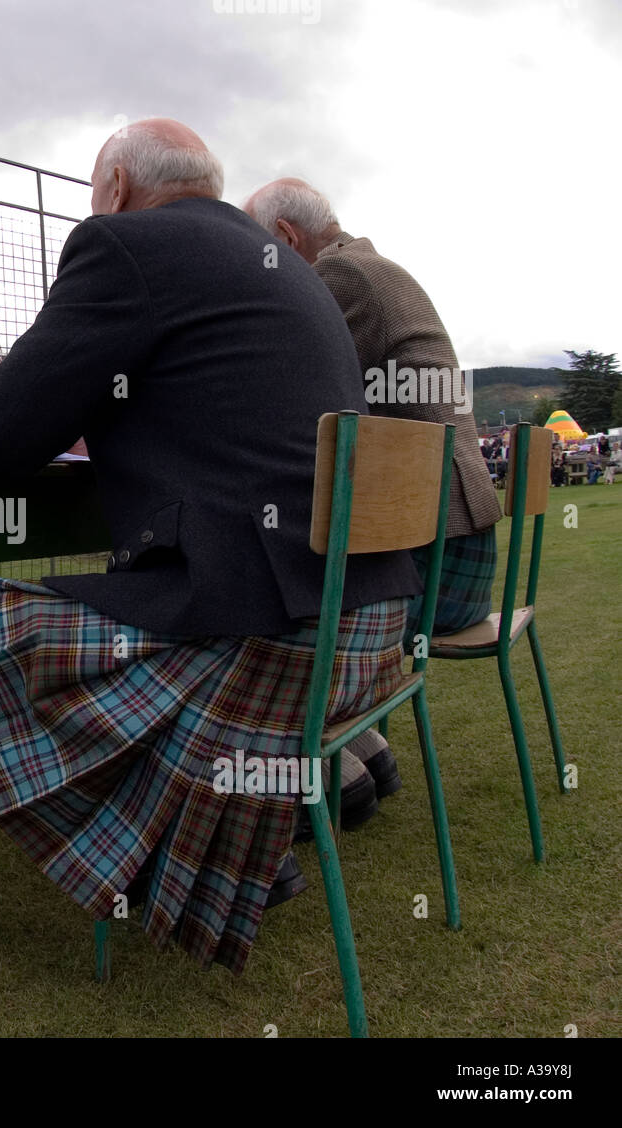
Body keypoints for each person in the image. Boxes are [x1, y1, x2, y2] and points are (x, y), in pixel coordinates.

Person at [0, 120, 421, 971]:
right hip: (365, 635)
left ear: (115, 185)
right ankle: (232, 846)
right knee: (106, 598)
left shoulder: (124, 243)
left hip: (267, 646)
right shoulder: (279, 266)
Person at [244, 179, 505, 805]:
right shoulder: (369, 268)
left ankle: (321, 776)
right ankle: (363, 751)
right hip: (458, 556)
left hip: (438, 566)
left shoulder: (338, 280)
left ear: (285, 238)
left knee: (260, 612)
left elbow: (275, 387)